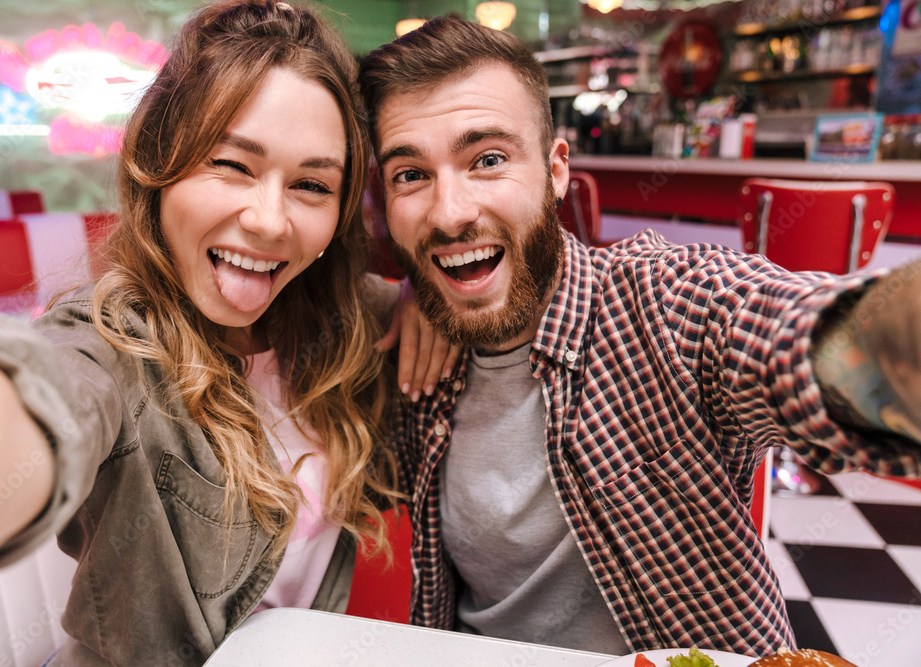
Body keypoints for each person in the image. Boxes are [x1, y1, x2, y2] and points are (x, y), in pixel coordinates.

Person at [358, 16, 921, 658]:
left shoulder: (660, 307)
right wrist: (410, 292)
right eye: (411, 174)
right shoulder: (399, 346)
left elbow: (804, 334)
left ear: (555, 170)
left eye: (488, 160)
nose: (449, 212)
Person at [0, 2, 447, 663]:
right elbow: (39, 400)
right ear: (157, 163)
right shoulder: (111, 347)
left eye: (311, 184)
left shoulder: (348, 324)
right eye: (233, 164)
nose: (269, 220)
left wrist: (431, 294)